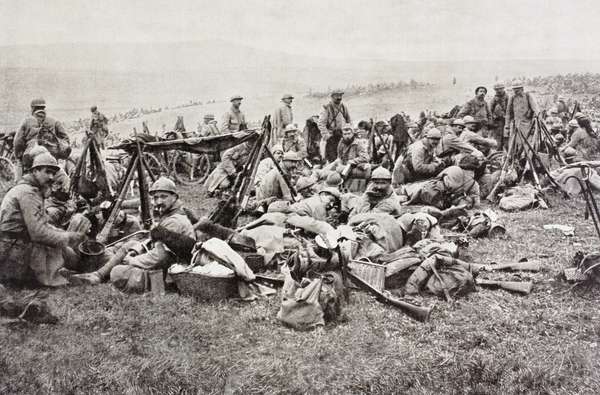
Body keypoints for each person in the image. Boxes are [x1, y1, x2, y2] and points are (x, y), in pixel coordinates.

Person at [70, 177, 195, 290]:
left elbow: (159, 256)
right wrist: (136, 249)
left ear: (175, 197)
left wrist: (132, 260)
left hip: (169, 271)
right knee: (130, 244)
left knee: (117, 272)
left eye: (163, 196)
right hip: (164, 262)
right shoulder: (172, 215)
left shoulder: (175, 221)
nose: (159, 201)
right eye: (156, 197)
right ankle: (98, 275)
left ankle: (101, 272)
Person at [0, 153, 84, 286]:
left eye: (53, 173)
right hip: (15, 255)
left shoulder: (28, 189)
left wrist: (63, 235)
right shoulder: (28, 193)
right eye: (47, 172)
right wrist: (66, 238)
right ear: (35, 171)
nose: (51, 177)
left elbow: (42, 223)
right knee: (59, 249)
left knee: (64, 247)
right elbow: (38, 233)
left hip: (12, 248)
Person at [14, 98, 71, 178]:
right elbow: (66, 139)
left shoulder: (26, 121)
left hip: (31, 156)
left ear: (32, 108)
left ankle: (18, 184)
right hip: (52, 156)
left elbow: (18, 142)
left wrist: (19, 155)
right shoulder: (54, 121)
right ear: (44, 108)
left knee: (19, 163)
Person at [317, 90, 352, 162]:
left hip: (341, 134)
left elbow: (349, 120)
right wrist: (326, 135)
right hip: (331, 135)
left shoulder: (343, 106)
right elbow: (321, 123)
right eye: (337, 96)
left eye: (340, 95)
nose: (339, 97)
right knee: (330, 156)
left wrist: (350, 131)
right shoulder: (327, 108)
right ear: (332, 97)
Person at [505, 81, 539, 146]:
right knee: (515, 144)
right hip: (516, 125)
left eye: (517, 90)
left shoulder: (528, 96)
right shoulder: (512, 98)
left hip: (527, 125)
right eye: (514, 90)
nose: (515, 92)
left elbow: (536, 110)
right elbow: (508, 113)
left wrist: (535, 124)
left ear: (522, 89)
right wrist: (507, 126)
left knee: (527, 143)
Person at [489, 83, 509, 149]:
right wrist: (492, 119)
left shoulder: (508, 97)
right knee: (498, 139)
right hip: (497, 122)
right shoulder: (494, 99)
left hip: (507, 121)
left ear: (503, 88)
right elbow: (490, 111)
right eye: (497, 89)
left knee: (507, 138)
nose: (499, 90)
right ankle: (498, 153)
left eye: (500, 88)